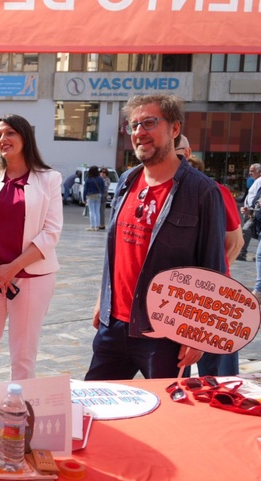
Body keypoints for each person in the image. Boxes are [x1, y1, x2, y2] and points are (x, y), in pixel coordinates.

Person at [84, 94, 226, 381]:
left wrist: (197, 333)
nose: (139, 133)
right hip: (114, 325)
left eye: (149, 123)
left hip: (165, 332)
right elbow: (116, 251)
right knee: (94, 409)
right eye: (133, 125)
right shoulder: (126, 181)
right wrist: (103, 297)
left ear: (174, 129)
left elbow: (212, 267)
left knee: (167, 417)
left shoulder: (201, 191)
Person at [0, 114, 62, 382]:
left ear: (24, 137)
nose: (2, 139)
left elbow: (51, 232)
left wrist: (13, 268)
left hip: (32, 277)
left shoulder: (49, 179)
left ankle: (17, 416)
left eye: (9, 133)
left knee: (23, 356)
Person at [186, 153, 243, 376]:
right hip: (175, 295)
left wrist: (211, 278)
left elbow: (235, 241)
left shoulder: (215, 191)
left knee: (220, 376)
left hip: (215, 296)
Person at [239, 163, 261, 261]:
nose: (250, 173)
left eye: (252, 171)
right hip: (251, 211)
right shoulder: (255, 181)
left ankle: (242, 252)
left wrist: (251, 208)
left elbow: (256, 197)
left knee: (247, 230)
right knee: (250, 231)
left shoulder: (259, 181)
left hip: (254, 212)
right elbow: (250, 195)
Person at [83, 166, 105, 232]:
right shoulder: (100, 179)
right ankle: (97, 226)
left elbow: (85, 189)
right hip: (98, 195)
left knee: (91, 211)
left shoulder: (88, 179)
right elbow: (103, 188)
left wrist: (84, 198)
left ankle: (92, 226)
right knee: (97, 211)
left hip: (91, 196)